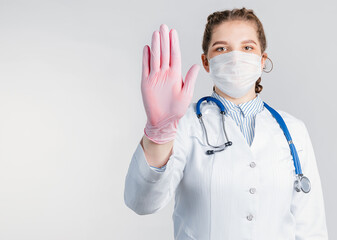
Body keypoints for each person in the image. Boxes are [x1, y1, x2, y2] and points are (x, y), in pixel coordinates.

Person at [124, 7, 329, 240]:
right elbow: (141, 202)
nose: (235, 57)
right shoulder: (184, 125)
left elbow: (311, 229)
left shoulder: (293, 130)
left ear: (262, 60)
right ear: (206, 62)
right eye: (221, 48)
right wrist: (158, 134)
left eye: (247, 48)